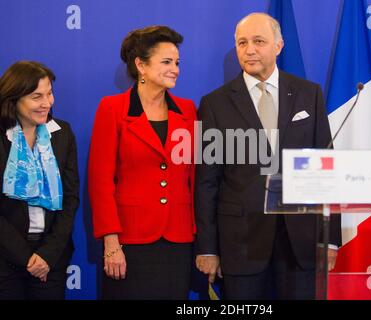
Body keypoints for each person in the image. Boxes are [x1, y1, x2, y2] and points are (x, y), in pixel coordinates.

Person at [195, 13, 341, 299]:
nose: (249, 50)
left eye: (258, 41)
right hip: (241, 243)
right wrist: (208, 247)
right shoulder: (214, 104)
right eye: (242, 43)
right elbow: (207, 183)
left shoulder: (308, 94)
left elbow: (327, 168)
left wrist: (330, 241)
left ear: (278, 45)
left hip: (301, 243)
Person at [88, 26, 197, 299]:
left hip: (178, 239)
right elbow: (100, 182)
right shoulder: (112, 109)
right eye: (166, 62)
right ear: (141, 65)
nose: (175, 69)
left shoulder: (188, 110)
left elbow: (195, 177)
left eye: (177, 63)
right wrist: (111, 243)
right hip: (130, 240)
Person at [0, 61, 79, 300]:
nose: (47, 103)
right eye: (37, 96)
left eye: (49, 93)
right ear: (13, 99)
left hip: (51, 258)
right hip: (5, 259)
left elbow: (71, 198)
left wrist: (47, 256)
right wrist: (26, 258)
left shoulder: (62, 133)